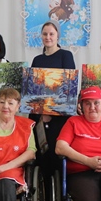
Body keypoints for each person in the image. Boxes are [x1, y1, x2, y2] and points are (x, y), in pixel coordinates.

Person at [30, 20, 75, 180]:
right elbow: (33, 90)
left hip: (60, 117)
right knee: (42, 156)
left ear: (57, 36)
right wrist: (42, 113)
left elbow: (69, 87)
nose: (48, 37)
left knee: (57, 156)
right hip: (40, 116)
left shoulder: (66, 56)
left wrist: (51, 112)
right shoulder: (37, 60)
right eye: (45, 34)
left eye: (51, 34)